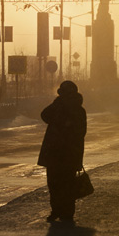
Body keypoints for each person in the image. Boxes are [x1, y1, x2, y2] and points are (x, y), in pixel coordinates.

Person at [38, 80, 87, 223]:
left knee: (65, 184)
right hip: (56, 153)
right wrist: (58, 103)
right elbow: (44, 115)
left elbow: (79, 133)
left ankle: (66, 213)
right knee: (54, 184)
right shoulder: (59, 106)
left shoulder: (77, 110)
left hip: (67, 153)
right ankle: (58, 211)